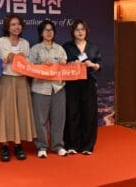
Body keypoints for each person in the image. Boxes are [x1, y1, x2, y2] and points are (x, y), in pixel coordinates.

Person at [0, 13, 36, 162]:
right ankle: (4, 145)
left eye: (18, 24)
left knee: (21, 112)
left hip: (21, 81)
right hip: (5, 80)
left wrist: (25, 60)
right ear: (7, 27)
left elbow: (30, 66)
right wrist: (5, 60)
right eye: (13, 25)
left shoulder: (25, 43)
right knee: (5, 112)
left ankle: (18, 144)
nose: (17, 27)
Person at [29, 19, 68, 158]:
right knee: (40, 120)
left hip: (58, 88)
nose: (49, 32)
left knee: (58, 118)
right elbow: (29, 70)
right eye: (46, 30)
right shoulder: (35, 49)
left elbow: (66, 69)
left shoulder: (60, 49)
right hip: (40, 88)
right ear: (41, 32)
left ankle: (58, 145)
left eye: (51, 30)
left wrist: (65, 65)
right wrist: (41, 65)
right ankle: (42, 146)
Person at [62, 19, 101, 155]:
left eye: (82, 29)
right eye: (77, 29)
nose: (80, 32)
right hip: (72, 84)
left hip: (88, 84)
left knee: (89, 115)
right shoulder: (66, 47)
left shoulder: (93, 47)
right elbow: (62, 65)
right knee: (72, 113)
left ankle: (87, 146)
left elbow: (98, 65)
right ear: (73, 32)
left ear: (86, 31)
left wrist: (93, 65)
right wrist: (72, 63)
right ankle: (72, 144)